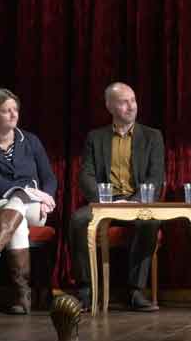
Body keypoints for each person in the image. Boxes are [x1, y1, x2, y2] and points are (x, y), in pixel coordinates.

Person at [69, 82, 165, 312]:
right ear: (110, 106)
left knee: (150, 222)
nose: (131, 106)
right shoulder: (96, 137)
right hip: (106, 201)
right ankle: (86, 290)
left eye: (133, 100)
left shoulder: (153, 136)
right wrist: (108, 201)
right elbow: (86, 175)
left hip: (137, 200)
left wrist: (135, 202)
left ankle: (135, 291)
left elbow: (155, 176)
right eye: (124, 102)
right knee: (78, 220)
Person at [0, 88, 57, 314]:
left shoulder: (30, 141)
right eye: (6, 110)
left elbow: (49, 178)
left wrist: (46, 196)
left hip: (33, 207)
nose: (13, 114)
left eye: (15, 109)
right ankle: (22, 296)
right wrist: (28, 192)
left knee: (19, 203)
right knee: (17, 210)